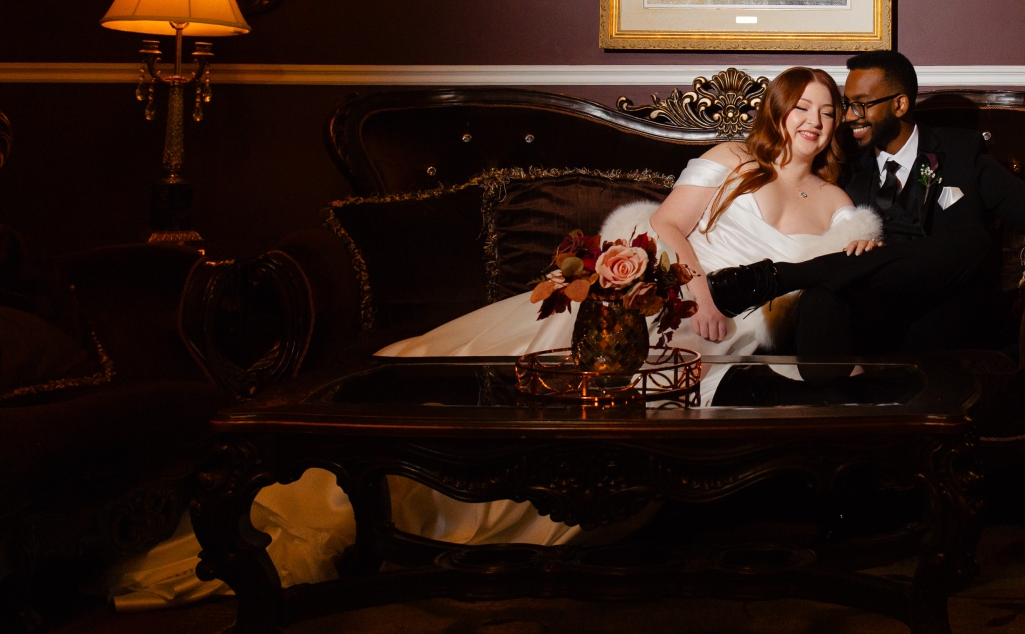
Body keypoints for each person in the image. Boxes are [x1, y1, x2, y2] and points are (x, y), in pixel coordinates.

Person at [109, 66, 883, 610]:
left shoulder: (839, 199)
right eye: (800, 105)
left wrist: (849, 261)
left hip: (747, 331)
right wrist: (701, 295)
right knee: (510, 358)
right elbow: (669, 225)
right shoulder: (730, 160)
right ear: (777, 112)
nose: (812, 120)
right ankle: (381, 493)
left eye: (825, 108)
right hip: (677, 292)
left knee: (692, 377)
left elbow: (831, 281)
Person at [701, 50, 1025, 361]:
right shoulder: (846, 171)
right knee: (818, 302)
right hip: (875, 313)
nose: (849, 117)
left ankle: (777, 278)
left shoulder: (962, 156)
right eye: (847, 106)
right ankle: (824, 415)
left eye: (862, 105)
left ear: (899, 104)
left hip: (949, 311)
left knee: (971, 241)